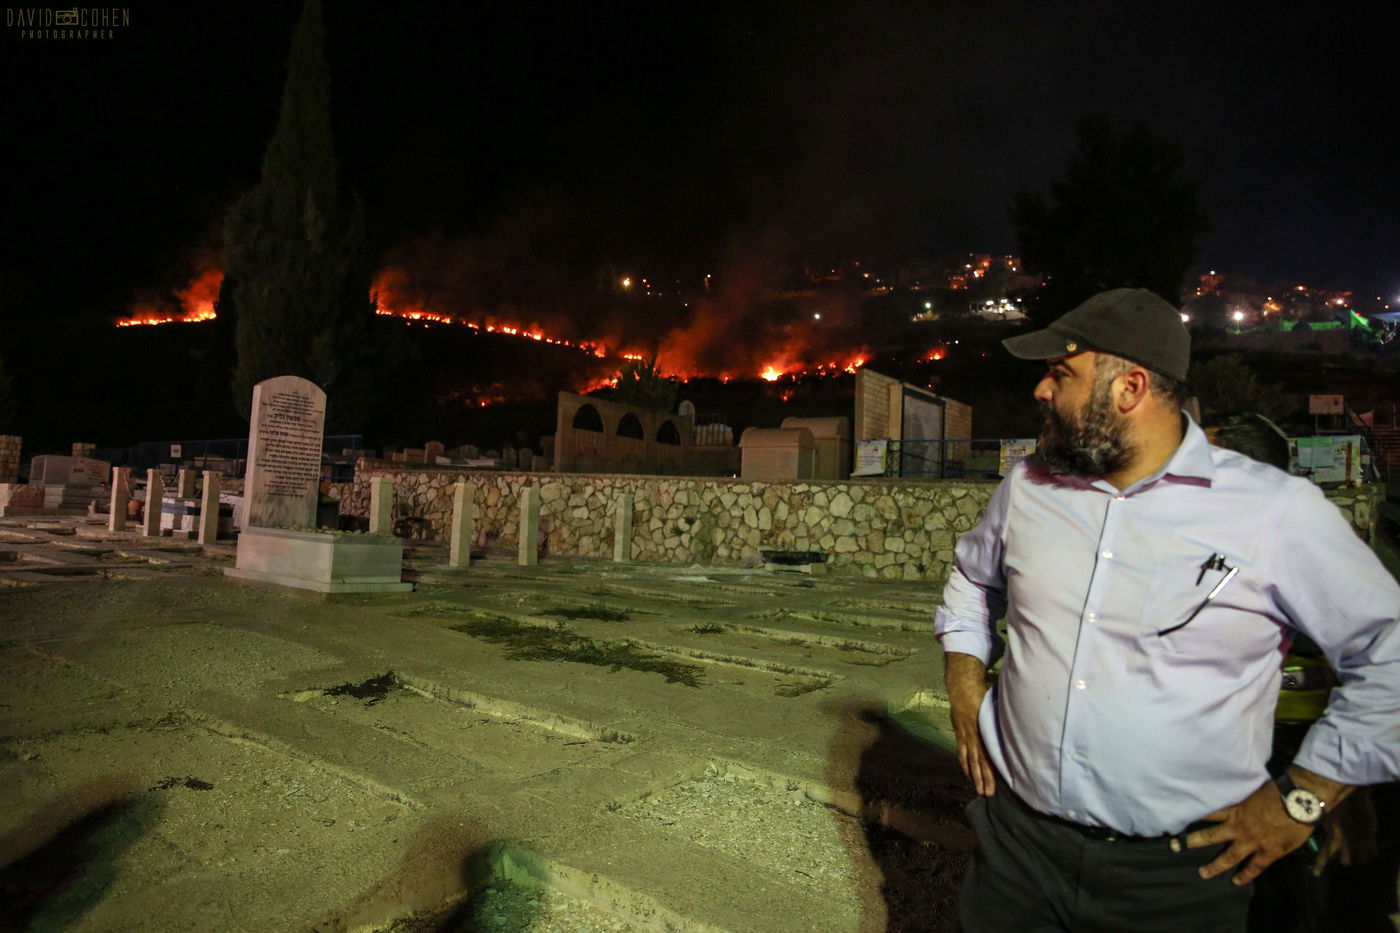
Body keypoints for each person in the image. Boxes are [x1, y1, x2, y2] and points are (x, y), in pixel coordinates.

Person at [934, 288, 1400, 933]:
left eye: (1060, 372)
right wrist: (964, 679)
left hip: (1180, 877)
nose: (1041, 391)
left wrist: (1303, 797)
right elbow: (971, 578)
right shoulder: (1028, 487)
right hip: (1016, 851)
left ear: (1129, 388)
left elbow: (1390, 658)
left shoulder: (1275, 512)